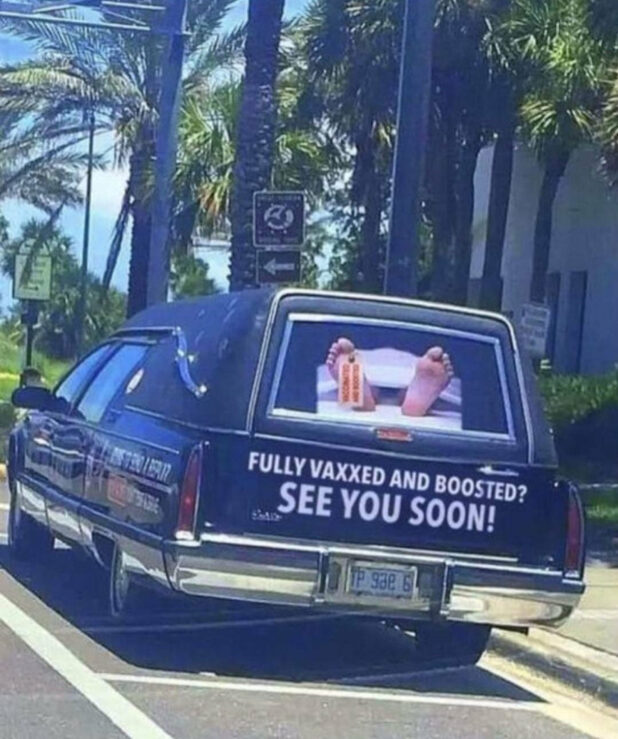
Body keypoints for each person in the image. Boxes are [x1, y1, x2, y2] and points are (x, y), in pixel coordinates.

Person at [325, 337, 455, 417]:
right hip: (408, 367)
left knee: (327, 381)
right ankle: (406, 395)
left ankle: (367, 393)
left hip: (371, 365)